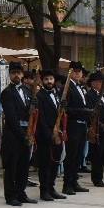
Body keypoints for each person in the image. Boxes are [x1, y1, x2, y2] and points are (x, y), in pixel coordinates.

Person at [0, 62, 31, 206]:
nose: (16, 75)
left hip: (27, 132)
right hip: (13, 134)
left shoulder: (27, 90)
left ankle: (21, 192)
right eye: (13, 73)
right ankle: (10, 196)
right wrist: (22, 135)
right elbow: (11, 118)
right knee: (12, 166)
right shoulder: (7, 92)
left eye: (18, 72)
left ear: (22, 74)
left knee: (24, 165)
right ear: (10, 75)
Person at [58, 62, 90, 195]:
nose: (78, 73)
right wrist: (84, 111)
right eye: (75, 71)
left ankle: (74, 181)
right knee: (71, 156)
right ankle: (67, 184)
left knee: (78, 156)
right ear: (70, 72)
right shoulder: (67, 87)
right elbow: (65, 108)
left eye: (80, 71)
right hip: (73, 125)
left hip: (82, 125)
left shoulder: (80, 87)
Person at [34, 69, 65, 201]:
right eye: (46, 79)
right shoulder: (39, 95)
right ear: (42, 80)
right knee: (45, 165)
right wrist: (49, 134)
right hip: (45, 135)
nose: (49, 81)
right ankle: (44, 191)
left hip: (57, 133)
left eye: (51, 79)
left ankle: (52, 188)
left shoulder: (57, 93)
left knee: (55, 163)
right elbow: (41, 118)